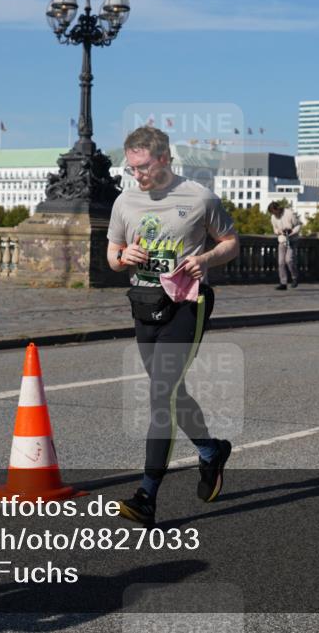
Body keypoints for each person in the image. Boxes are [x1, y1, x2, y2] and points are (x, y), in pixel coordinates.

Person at [107, 126, 239, 527]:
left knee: (160, 395)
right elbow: (112, 255)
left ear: (165, 159)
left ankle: (147, 494)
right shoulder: (124, 201)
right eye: (132, 168)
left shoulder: (200, 197)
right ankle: (210, 450)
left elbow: (231, 241)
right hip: (145, 305)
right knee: (172, 390)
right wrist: (123, 256)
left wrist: (208, 260)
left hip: (187, 304)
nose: (137, 176)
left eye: (143, 167)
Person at [267, 202, 301, 290]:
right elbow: (275, 228)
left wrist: (292, 232)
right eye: (273, 213)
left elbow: (298, 225)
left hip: (292, 240)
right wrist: (279, 232)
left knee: (289, 260)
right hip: (282, 240)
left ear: (278, 208)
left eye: (275, 212)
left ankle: (295, 277)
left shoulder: (289, 213)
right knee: (281, 263)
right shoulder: (273, 217)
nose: (275, 215)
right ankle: (283, 283)